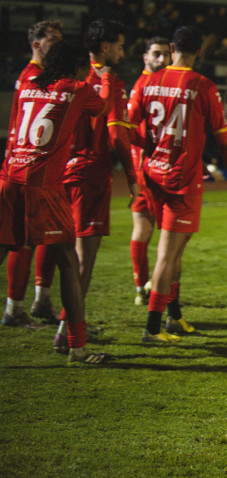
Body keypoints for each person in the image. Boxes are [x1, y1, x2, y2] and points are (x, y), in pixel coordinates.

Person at [0, 40, 114, 364]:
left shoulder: (28, 85)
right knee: (68, 262)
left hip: (9, 178)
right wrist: (105, 76)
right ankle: (77, 347)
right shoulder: (77, 89)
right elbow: (103, 106)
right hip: (43, 185)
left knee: (4, 249)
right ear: (78, 66)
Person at [128, 26, 227, 343]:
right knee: (168, 253)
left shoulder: (148, 81)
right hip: (181, 180)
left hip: (152, 175)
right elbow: (222, 136)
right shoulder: (202, 86)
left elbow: (128, 128)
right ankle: (153, 327)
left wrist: (148, 152)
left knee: (176, 249)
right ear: (200, 51)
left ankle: (174, 314)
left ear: (172, 48)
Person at [52, 19, 139, 352]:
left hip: (59, 173)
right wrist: (132, 177)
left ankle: (45, 308)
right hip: (90, 175)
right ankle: (68, 331)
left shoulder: (67, 76)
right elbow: (117, 135)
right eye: (119, 46)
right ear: (105, 47)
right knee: (83, 258)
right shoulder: (108, 81)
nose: (122, 52)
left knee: (57, 249)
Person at [2, 20, 63, 328]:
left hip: (31, 168)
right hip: (29, 170)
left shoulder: (32, 76)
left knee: (46, 236)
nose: (58, 45)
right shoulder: (35, 77)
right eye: (52, 40)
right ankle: (14, 308)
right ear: (37, 44)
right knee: (22, 240)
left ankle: (40, 299)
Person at [128, 36, 171, 305]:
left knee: (142, 228)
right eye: (156, 54)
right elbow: (129, 127)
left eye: (166, 54)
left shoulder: (157, 82)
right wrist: (147, 148)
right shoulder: (146, 84)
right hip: (152, 168)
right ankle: (164, 294)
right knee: (170, 232)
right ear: (145, 57)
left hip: (145, 166)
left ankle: (142, 288)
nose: (162, 59)